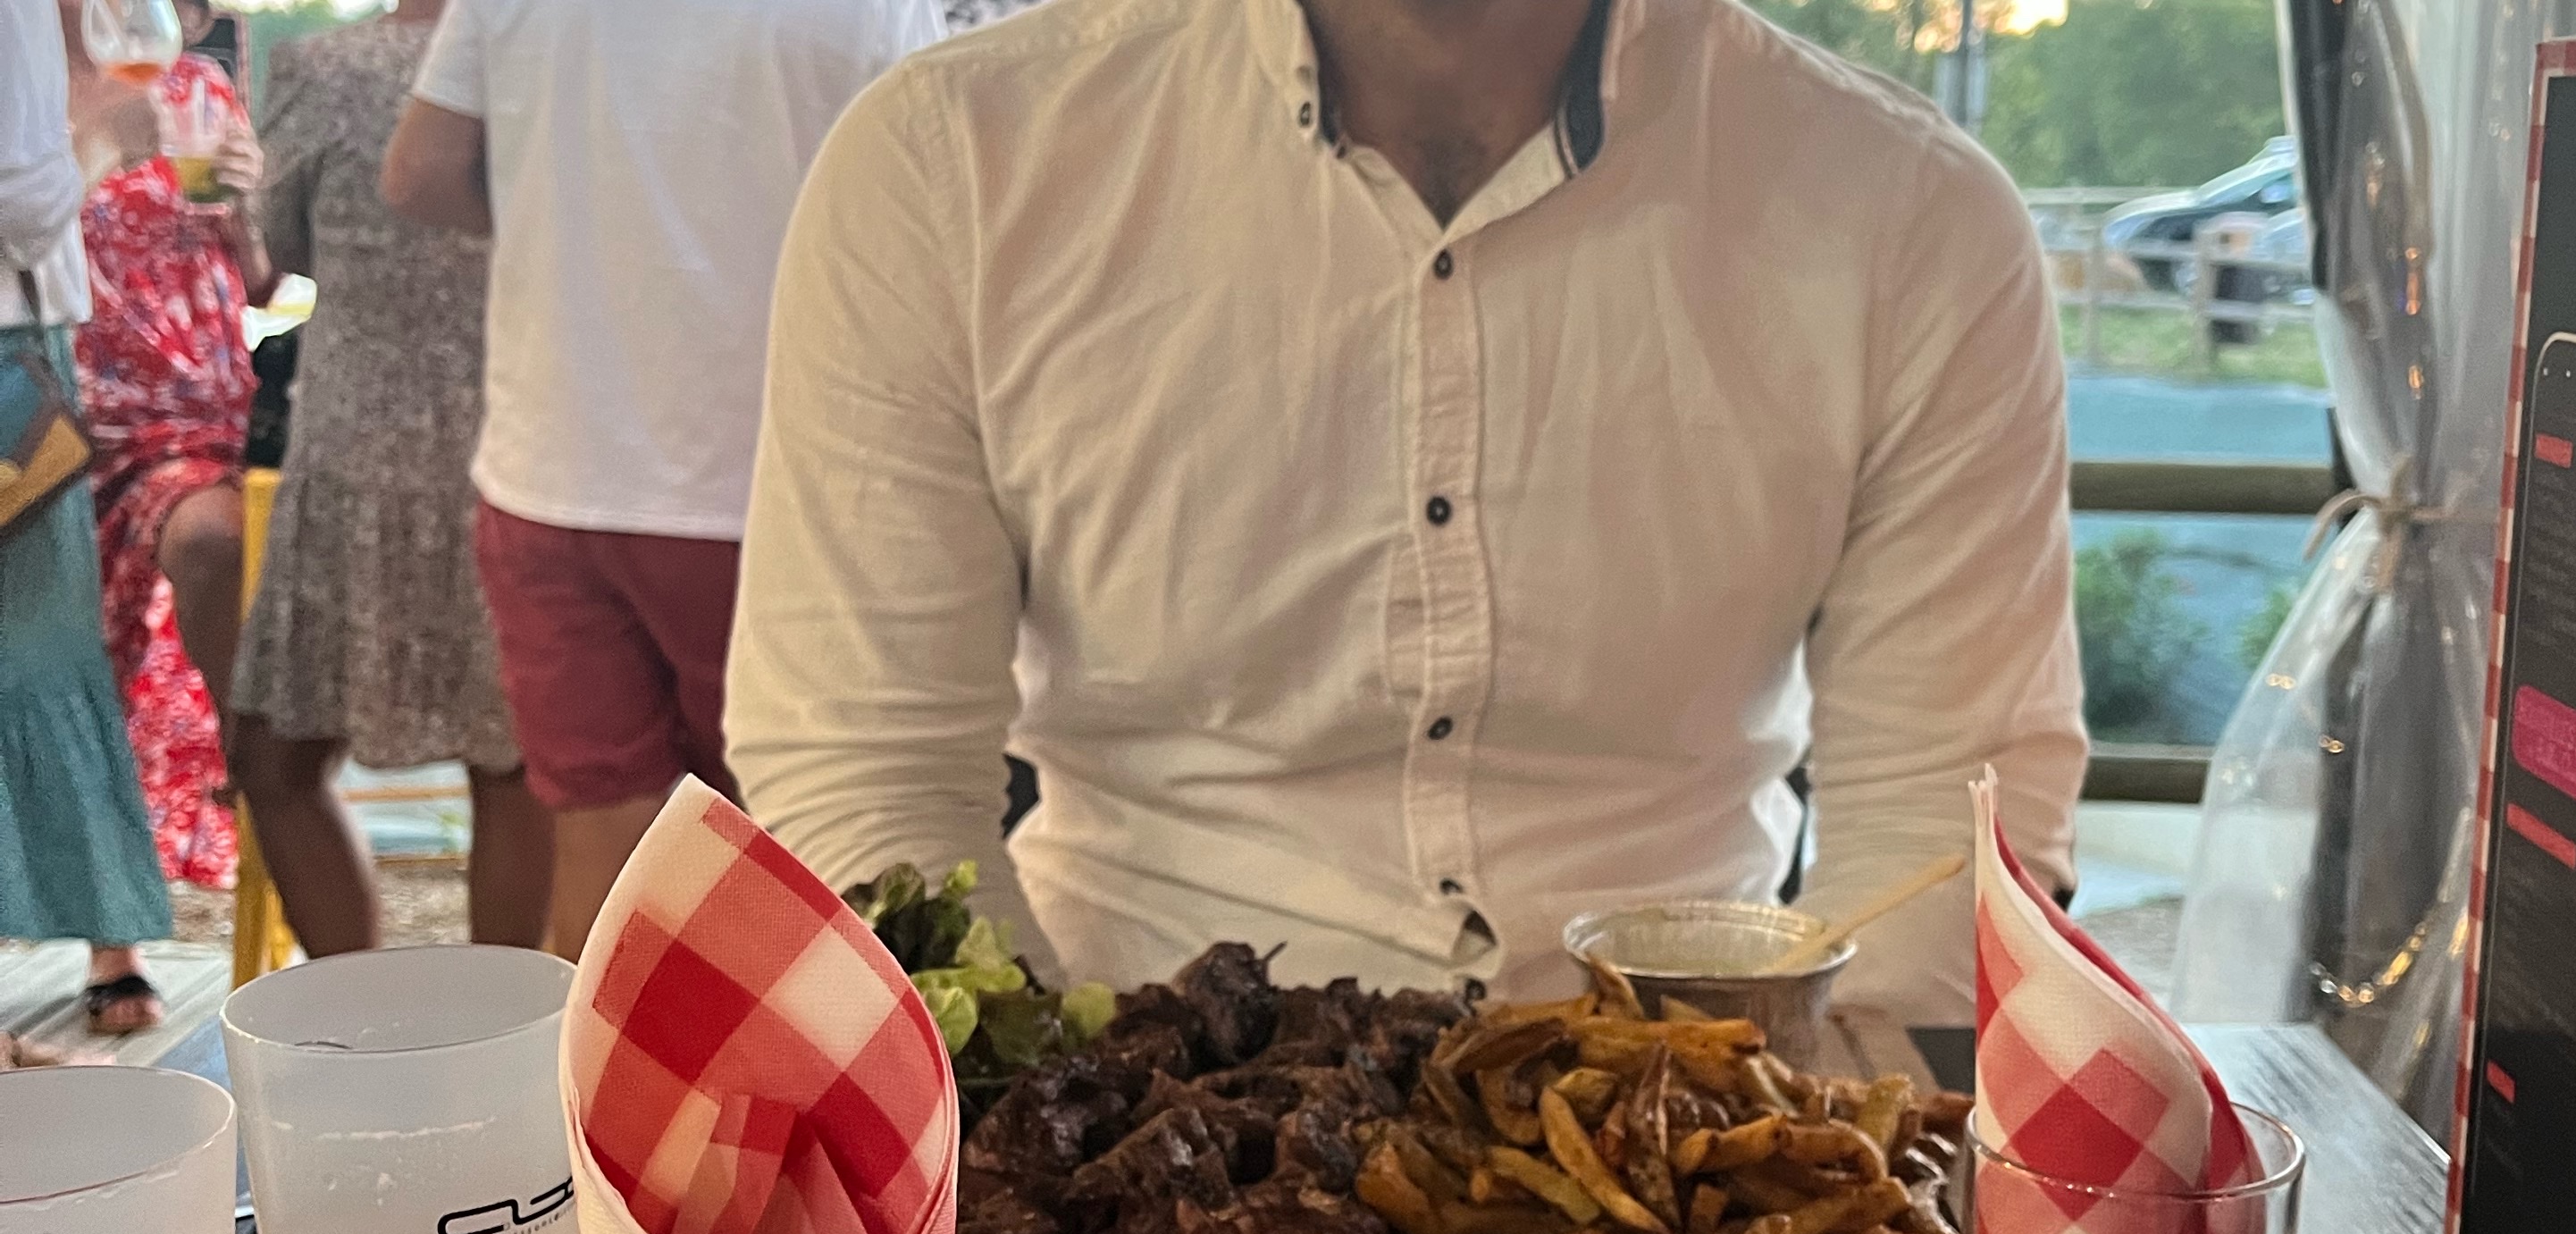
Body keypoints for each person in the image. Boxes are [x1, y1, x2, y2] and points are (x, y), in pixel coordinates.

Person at [728, 0, 2087, 1022]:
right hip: (1122, 1087)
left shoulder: (1913, 218)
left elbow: (1948, 814)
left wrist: (1809, 1143)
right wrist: (1065, 1131)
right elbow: (869, 772)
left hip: (1689, 1082)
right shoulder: (952, 166)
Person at [379, 0, 947, 958]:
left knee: (607, 850)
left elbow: (420, 172)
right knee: (802, 851)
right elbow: (929, 200)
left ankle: (602, 1063)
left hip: (555, 468)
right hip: (775, 483)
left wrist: (571, 224)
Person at [226, 0, 548, 955]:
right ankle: (506, 1025)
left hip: (357, 458)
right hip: (516, 450)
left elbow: (276, 259)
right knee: (510, 761)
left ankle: (362, 1010)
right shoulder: (547, 64)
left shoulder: (325, 70)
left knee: (274, 756)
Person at [64, 0, 271, 1002]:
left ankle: (254, 759)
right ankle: (113, 941)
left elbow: (260, 280)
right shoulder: (28, 97)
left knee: (213, 540)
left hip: (201, 417)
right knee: (82, 672)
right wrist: (99, 147)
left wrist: (247, 211)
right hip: (63, 424)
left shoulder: (202, 89)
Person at [0, 0, 172, 1042]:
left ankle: (111, 935)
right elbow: (25, 206)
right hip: (9, 356)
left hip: (23, 345)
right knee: (41, 657)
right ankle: (110, 937)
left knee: (45, 660)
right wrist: (107, 137)